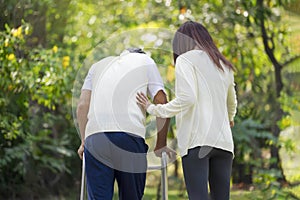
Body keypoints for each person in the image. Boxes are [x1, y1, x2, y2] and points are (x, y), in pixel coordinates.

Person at [136, 21, 237, 200]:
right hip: (224, 143)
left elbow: (187, 98)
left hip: (196, 142)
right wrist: (229, 118)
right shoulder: (223, 64)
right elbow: (232, 103)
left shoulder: (185, 60)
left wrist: (154, 109)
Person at [76, 47, 173, 200]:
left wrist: (84, 141)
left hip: (96, 138)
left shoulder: (97, 66)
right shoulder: (145, 61)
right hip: (129, 136)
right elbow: (161, 101)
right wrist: (160, 144)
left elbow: (82, 106)